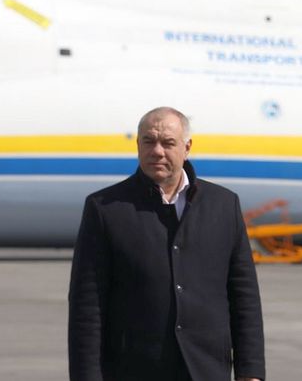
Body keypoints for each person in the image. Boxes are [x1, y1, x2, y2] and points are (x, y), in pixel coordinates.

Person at [68, 107, 265, 381]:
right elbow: (87, 305)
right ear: (138, 145)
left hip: (206, 369)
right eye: (148, 141)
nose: (157, 151)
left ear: (187, 147)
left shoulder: (223, 205)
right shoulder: (105, 209)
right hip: (132, 370)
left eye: (168, 143)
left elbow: (244, 295)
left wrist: (250, 371)